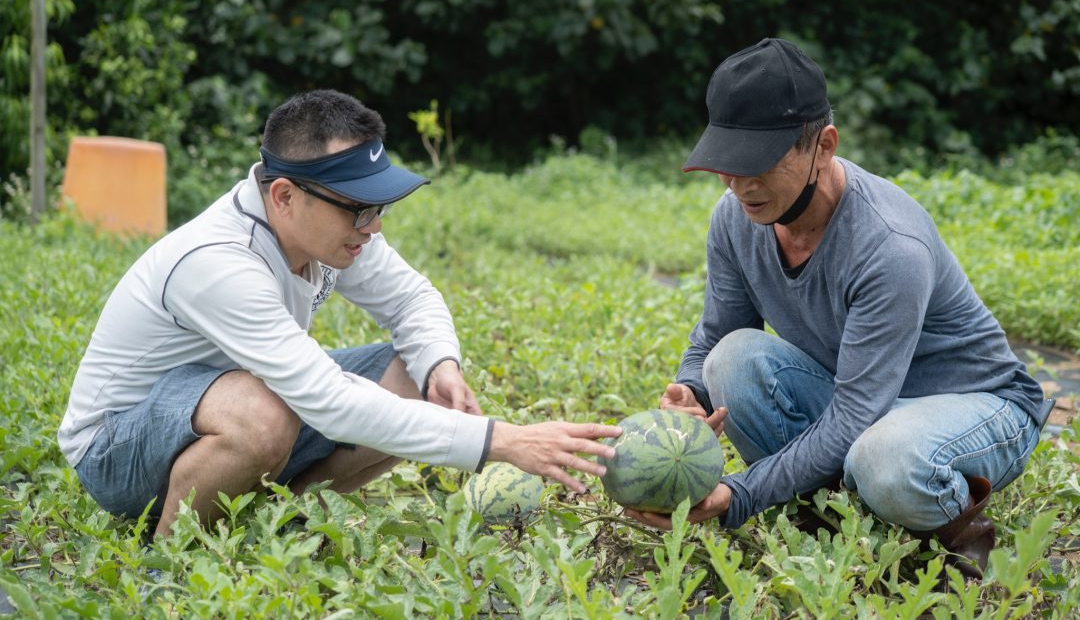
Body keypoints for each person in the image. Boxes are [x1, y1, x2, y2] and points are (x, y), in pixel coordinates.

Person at [59, 89, 620, 538]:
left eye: (377, 205)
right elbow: (328, 401)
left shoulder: (333, 232)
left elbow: (413, 299)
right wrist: (503, 440)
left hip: (225, 406)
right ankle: (176, 551)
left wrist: (439, 365)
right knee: (263, 413)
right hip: (116, 448)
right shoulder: (218, 262)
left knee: (411, 375)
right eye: (357, 207)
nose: (372, 226)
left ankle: (281, 520)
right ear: (284, 196)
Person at [625, 38, 1051, 579]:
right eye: (727, 165)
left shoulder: (890, 245)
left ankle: (959, 538)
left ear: (823, 146)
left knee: (884, 456)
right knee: (729, 360)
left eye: (759, 164)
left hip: (977, 405)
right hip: (866, 401)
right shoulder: (734, 219)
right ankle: (836, 513)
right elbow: (716, 333)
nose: (740, 185)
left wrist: (739, 495)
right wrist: (691, 393)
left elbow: (854, 415)